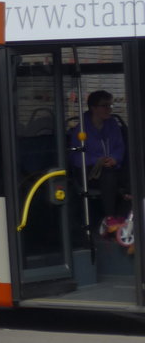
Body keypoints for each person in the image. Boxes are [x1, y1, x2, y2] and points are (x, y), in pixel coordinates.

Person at [69, 90, 127, 237]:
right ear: (93, 108)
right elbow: (76, 157)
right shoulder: (81, 128)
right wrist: (99, 161)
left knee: (130, 173)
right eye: (105, 105)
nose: (109, 109)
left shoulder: (113, 124)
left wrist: (114, 158)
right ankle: (110, 218)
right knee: (108, 176)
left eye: (110, 105)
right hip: (89, 172)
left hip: (113, 166)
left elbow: (119, 147)